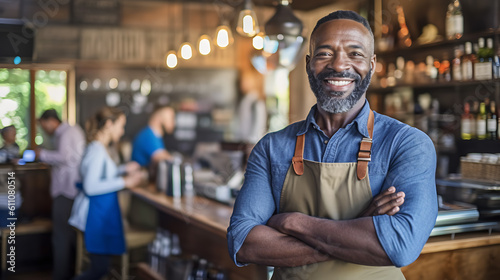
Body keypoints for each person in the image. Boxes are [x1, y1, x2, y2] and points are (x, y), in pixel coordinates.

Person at [227, 10, 438, 280]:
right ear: (308, 63)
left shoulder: (407, 144)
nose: (339, 65)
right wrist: (357, 226)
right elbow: (243, 243)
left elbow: (399, 246)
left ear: (372, 64)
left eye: (355, 54)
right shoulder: (271, 148)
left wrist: (292, 222)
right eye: (325, 53)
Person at [69, 106, 144, 280]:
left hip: (98, 214)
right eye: (121, 125)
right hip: (94, 217)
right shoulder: (96, 150)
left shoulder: (99, 148)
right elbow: (91, 186)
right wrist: (125, 181)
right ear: (109, 124)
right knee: (99, 269)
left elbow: (102, 175)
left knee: (101, 268)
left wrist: (123, 169)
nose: (122, 130)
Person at [36, 109, 85, 280]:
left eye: (43, 125)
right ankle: (74, 272)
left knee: (61, 236)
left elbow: (63, 157)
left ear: (50, 121)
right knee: (70, 235)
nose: (44, 129)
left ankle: (61, 275)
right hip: (74, 191)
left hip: (66, 191)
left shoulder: (65, 133)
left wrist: (40, 153)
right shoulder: (73, 130)